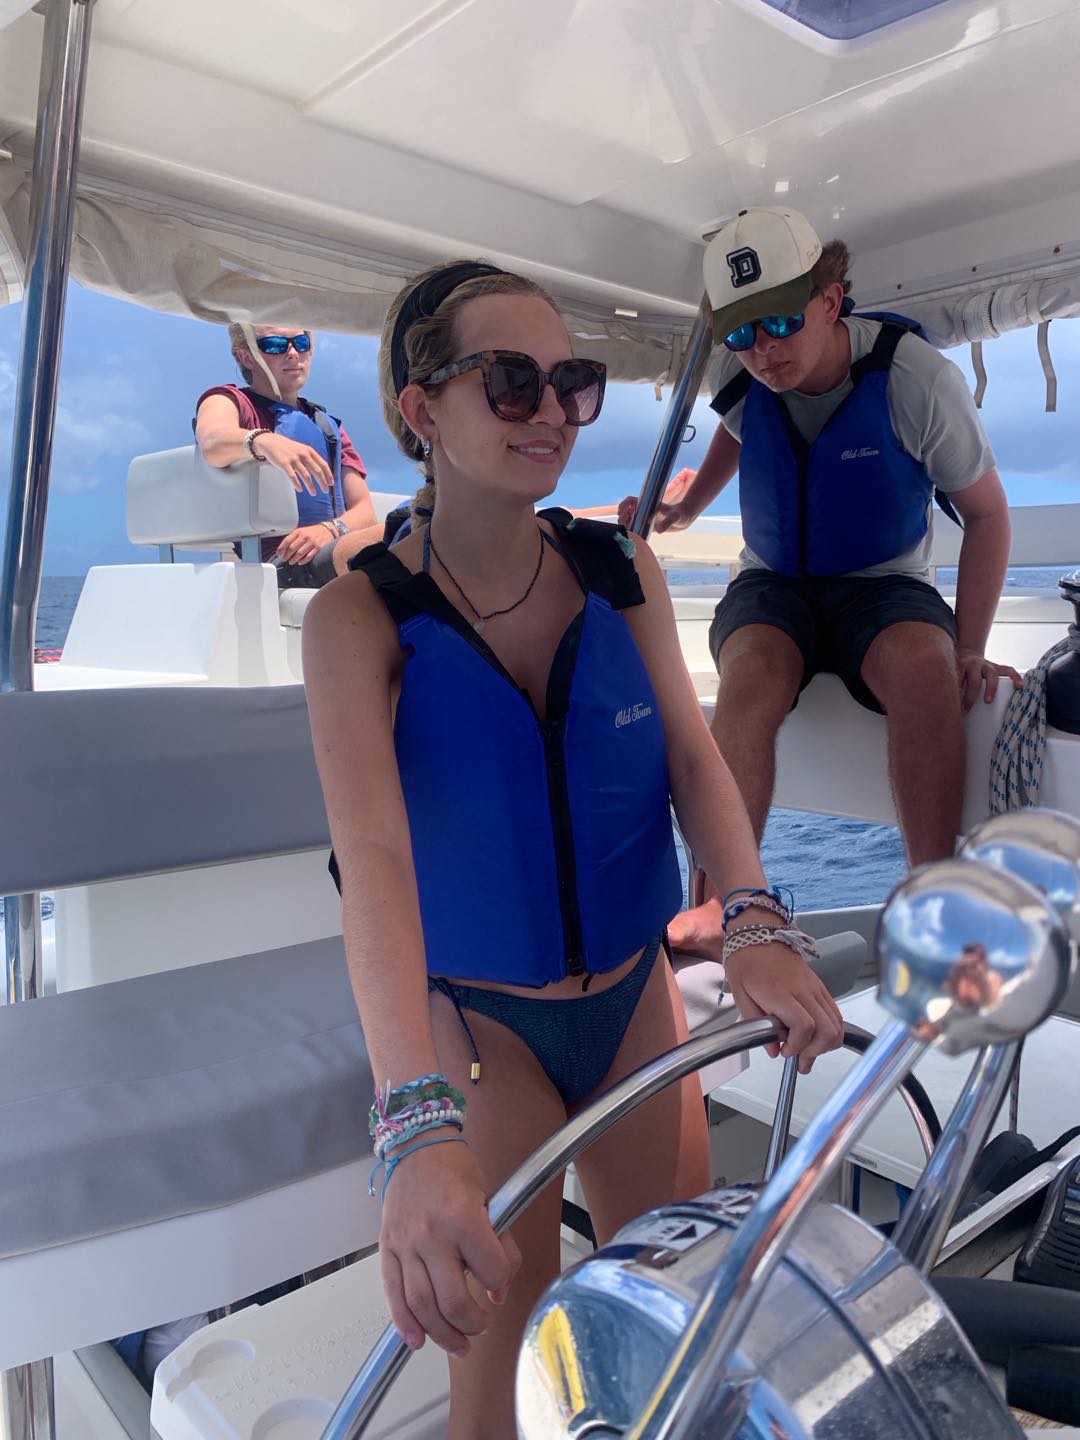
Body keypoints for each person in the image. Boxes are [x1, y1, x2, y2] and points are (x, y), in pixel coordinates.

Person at [302, 258, 844, 1437]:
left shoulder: (619, 566)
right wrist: (414, 1121)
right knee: (499, 1382)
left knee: (665, 1333)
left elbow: (693, 757)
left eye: (573, 382)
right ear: (421, 408)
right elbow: (374, 864)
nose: (551, 410)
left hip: (634, 1002)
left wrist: (752, 918)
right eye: (510, 381)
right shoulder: (358, 618)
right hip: (481, 1025)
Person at [622, 207, 1020, 958]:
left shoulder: (916, 381)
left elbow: (988, 515)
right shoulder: (741, 373)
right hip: (774, 583)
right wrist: (683, 509)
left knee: (926, 671)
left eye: (780, 322)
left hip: (885, 583)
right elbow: (740, 431)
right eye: (741, 333)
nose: (763, 350)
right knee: (750, 677)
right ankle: (721, 904)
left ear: (831, 300)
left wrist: (971, 644)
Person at [194, 324, 377, 585]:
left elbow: (365, 511)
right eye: (275, 345)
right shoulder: (228, 400)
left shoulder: (328, 427)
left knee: (413, 529)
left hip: (335, 546)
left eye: (301, 343)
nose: (292, 353)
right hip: (284, 562)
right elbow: (212, 441)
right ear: (246, 356)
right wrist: (264, 441)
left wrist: (329, 530)